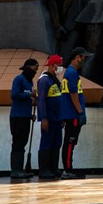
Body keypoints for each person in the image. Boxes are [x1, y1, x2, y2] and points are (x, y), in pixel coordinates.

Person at [60, 47, 90, 179]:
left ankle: (69, 168)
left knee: (70, 142)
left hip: (71, 114)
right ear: (77, 57)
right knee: (70, 142)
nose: (84, 61)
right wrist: (80, 111)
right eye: (83, 58)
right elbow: (73, 94)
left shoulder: (70, 72)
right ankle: (68, 169)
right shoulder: (72, 73)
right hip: (73, 115)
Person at [36, 54, 66, 180]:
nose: (60, 68)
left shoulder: (55, 79)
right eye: (59, 65)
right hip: (48, 118)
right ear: (52, 65)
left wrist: (63, 117)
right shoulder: (44, 80)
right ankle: (44, 170)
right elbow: (41, 100)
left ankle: (54, 168)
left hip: (58, 118)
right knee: (46, 143)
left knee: (57, 143)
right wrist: (43, 118)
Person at [9, 58, 38, 179]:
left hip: (25, 116)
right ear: (28, 68)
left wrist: (31, 114)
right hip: (17, 116)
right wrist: (30, 94)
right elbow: (14, 95)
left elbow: (27, 100)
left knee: (23, 142)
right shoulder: (19, 79)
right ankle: (15, 170)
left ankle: (21, 169)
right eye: (34, 69)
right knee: (18, 143)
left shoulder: (30, 82)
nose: (35, 72)